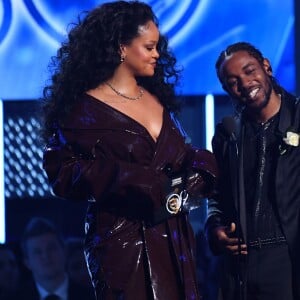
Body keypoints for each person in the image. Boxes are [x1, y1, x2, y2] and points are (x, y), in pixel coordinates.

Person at [41, 1, 218, 299]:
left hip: (175, 237)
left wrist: (202, 165)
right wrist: (130, 179)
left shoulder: (156, 98)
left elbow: (179, 156)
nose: (157, 54)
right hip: (124, 243)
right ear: (122, 48)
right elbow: (62, 172)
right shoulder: (83, 109)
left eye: (157, 46)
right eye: (149, 47)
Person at [205, 41, 300, 300]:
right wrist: (214, 228)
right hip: (242, 268)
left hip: (289, 261)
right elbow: (217, 197)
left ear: (266, 66)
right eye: (233, 81)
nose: (245, 84)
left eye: (249, 71)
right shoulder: (227, 135)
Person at [17, 217, 95, 300]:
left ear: (64, 251)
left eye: (51, 248)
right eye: (37, 252)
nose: (46, 256)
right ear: (27, 262)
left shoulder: (93, 297)